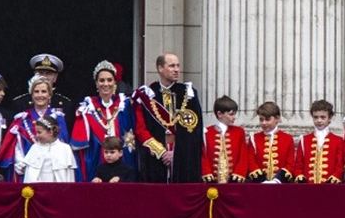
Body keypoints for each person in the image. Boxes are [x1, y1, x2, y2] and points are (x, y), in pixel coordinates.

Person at [133, 52, 204, 183]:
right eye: (172, 66)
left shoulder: (189, 93)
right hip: (155, 158)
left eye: (178, 66)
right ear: (160, 68)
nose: (177, 69)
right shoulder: (147, 95)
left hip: (183, 158)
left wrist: (176, 154)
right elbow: (140, 129)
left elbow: (195, 129)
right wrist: (161, 152)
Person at [71, 61, 137, 182]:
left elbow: (130, 134)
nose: (106, 84)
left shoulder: (124, 105)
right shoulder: (88, 107)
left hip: (122, 161)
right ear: (96, 83)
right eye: (101, 80)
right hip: (97, 161)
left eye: (109, 80)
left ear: (115, 82)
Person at [0, 76, 71, 181]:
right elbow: (16, 146)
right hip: (28, 171)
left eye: (44, 91)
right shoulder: (22, 119)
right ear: (31, 94)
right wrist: (23, 163)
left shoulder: (58, 118)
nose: (40, 95)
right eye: (36, 92)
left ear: (50, 95)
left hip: (52, 171)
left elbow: (62, 144)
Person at [10, 54, 73, 129]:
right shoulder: (20, 103)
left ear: (55, 77)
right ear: (34, 75)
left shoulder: (65, 104)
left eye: (49, 73)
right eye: (40, 73)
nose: (44, 77)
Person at [200, 95, 251, 184]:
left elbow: (243, 155)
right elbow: (203, 156)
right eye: (231, 114)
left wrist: (238, 174)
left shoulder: (239, 132)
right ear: (219, 114)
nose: (234, 117)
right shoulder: (207, 132)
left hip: (234, 182)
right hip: (212, 182)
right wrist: (207, 173)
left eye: (235, 114)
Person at [296, 99, 345, 184]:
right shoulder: (304, 140)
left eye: (323, 117)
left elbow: (340, 165)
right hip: (308, 187)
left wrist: (335, 177)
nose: (319, 120)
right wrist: (300, 176)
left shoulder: (338, 140)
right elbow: (298, 164)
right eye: (316, 117)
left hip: (330, 188)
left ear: (329, 118)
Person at [14, 117, 77, 183]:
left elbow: (70, 176)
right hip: (37, 189)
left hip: (58, 189)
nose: (37, 135)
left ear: (50, 132)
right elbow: (28, 174)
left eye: (39, 132)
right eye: (36, 132)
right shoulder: (35, 147)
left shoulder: (65, 148)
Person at [248, 101, 297, 183]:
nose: (264, 123)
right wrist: (262, 180)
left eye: (267, 119)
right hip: (259, 185)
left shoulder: (288, 138)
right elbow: (251, 162)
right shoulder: (254, 138)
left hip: (281, 185)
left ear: (277, 118)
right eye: (261, 119)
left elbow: (290, 164)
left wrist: (277, 180)